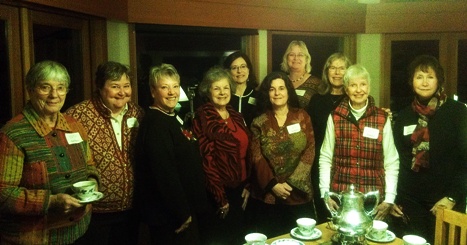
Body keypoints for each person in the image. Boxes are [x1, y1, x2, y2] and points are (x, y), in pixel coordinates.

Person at [0, 60, 100, 244]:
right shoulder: (13, 134)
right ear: (30, 89)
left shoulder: (74, 125)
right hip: (35, 237)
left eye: (61, 88)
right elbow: (3, 194)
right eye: (45, 87)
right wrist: (51, 201)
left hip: (79, 230)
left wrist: (92, 182)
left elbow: (90, 165)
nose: (54, 95)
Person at [65, 61, 144, 244]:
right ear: (100, 87)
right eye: (115, 86)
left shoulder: (138, 113)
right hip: (94, 213)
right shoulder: (77, 116)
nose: (122, 92)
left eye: (126, 86)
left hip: (131, 210)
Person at [391, 55, 467, 244]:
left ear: (439, 80)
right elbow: (397, 159)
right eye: (419, 77)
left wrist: (452, 197)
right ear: (411, 81)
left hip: (446, 201)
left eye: (430, 77)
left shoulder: (457, 112)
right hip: (410, 203)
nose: (424, 82)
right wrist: (395, 197)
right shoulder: (404, 115)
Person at [134, 64, 208, 245]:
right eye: (164, 87)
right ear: (153, 91)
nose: (172, 92)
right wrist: (182, 213)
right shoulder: (155, 124)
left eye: (175, 86)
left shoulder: (171, 116)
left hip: (183, 209)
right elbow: (164, 173)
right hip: (170, 217)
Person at [319, 64, 399, 221]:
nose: (358, 90)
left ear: (369, 87)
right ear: (346, 89)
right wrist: (325, 193)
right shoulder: (335, 117)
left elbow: (391, 161)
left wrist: (389, 199)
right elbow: (326, 157)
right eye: (353, 85)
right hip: (341, 197)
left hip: (373, 199)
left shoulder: (382, 118)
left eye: (363, 84)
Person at [247, 71, 315, 238]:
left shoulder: (302, 116)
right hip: (268, 197)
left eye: (281, 88)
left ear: (288, 91)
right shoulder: (259, 122)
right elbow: (256, 157)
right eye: (272, 89)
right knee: (272, 239)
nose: (277, 93)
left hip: (298, 194)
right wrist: (273, 185)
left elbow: (310, 149)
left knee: (303, 240)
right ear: (267, 93)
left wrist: (292, 183)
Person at [192, 66, 250, 245]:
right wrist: (221, 198)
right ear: (207, 92)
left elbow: (247, 151)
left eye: (225, 87)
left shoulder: (236, 116)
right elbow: (206, 162)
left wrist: (248, 184)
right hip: (217, 193)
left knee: (237, 237)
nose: (222, 92)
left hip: (240, 188)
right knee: (219, 239)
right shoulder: (202, 119)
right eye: (216, 88)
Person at [306, 53, 352, 224]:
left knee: (347, 215)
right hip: (320, 163)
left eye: (342, 68)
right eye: (333, 67)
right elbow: (310, 134)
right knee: (324, 214)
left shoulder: (354, 98)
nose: (337, 72)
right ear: (327, 71)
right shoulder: (317, 99)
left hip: (347, 165)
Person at [280, 40, 321, 109]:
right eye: (292, 54)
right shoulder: (280, 81)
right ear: (286, 58)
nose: (296, 58)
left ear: (307, 59)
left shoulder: (317, 84)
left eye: (300, 55)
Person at [223, 51, 259, 126]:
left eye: (243, 66)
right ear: (228, 72)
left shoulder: (258, 96)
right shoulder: (223, 96)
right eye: (234, 68)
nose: (239, 71)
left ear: (248, 70)